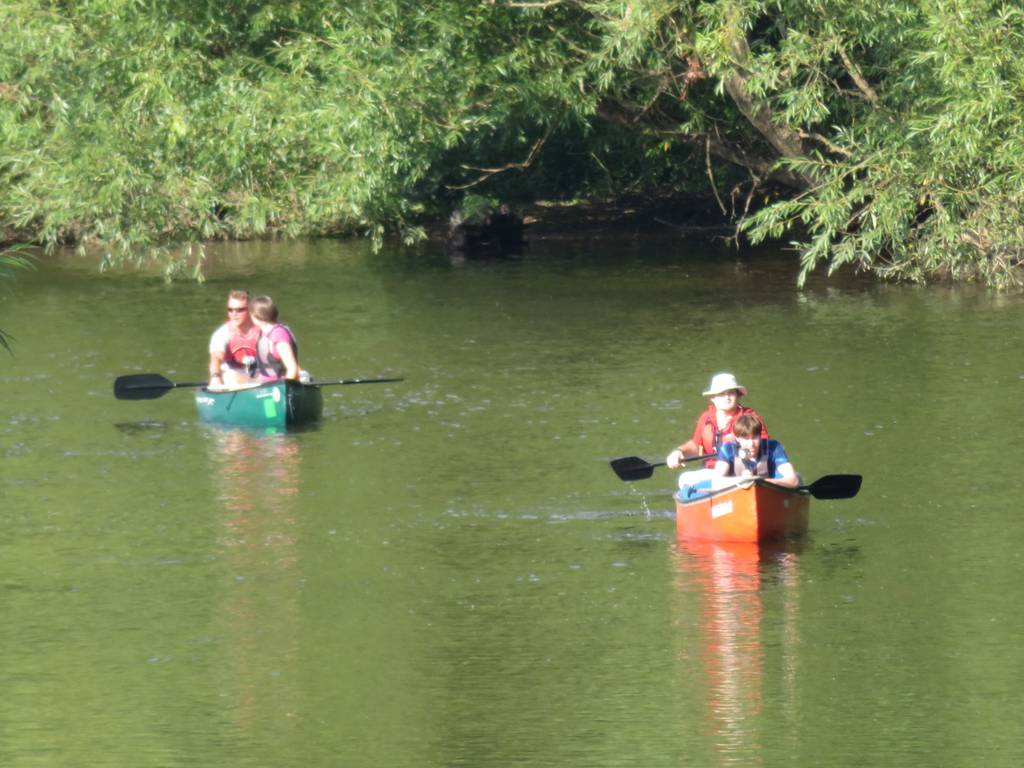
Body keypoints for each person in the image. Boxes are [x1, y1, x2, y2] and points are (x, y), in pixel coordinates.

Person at [665, 372, 768, 490]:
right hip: (715, 473)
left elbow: (763, 444)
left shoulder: (750, 417)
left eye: (731, 393)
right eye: (721, 394)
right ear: (712, 398)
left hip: (744, 471)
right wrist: (679, 452)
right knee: (684, 479)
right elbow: (695, 445)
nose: (727, 397)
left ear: (738, 395)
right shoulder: (706, 418)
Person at [712, 413, 799, 488]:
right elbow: (716, 483)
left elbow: (793, 480)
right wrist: (743, 480)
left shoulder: (773, 447)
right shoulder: (728, 449)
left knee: (798, 477)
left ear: (760, 436)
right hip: (738, 488)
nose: (751, 444)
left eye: (754, 438)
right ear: (737, 439)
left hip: (767, 487)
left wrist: (760, 482)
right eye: (746, 439)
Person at [208, 290, 261, 388]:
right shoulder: (222, 333)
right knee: (229, 376)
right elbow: (216, 357)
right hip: (234, 380)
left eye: (239, 310)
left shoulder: (263, 330)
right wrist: (215, 376)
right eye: (230, 309)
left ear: (250, 310)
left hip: (261, 379)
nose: (234, 313)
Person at [249, 295, 301, 381]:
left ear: (253, 315)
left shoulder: (278, 335)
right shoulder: (264, 332)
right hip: (263, 382)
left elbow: (292, 369)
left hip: (277, 386)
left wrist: (284, 388)